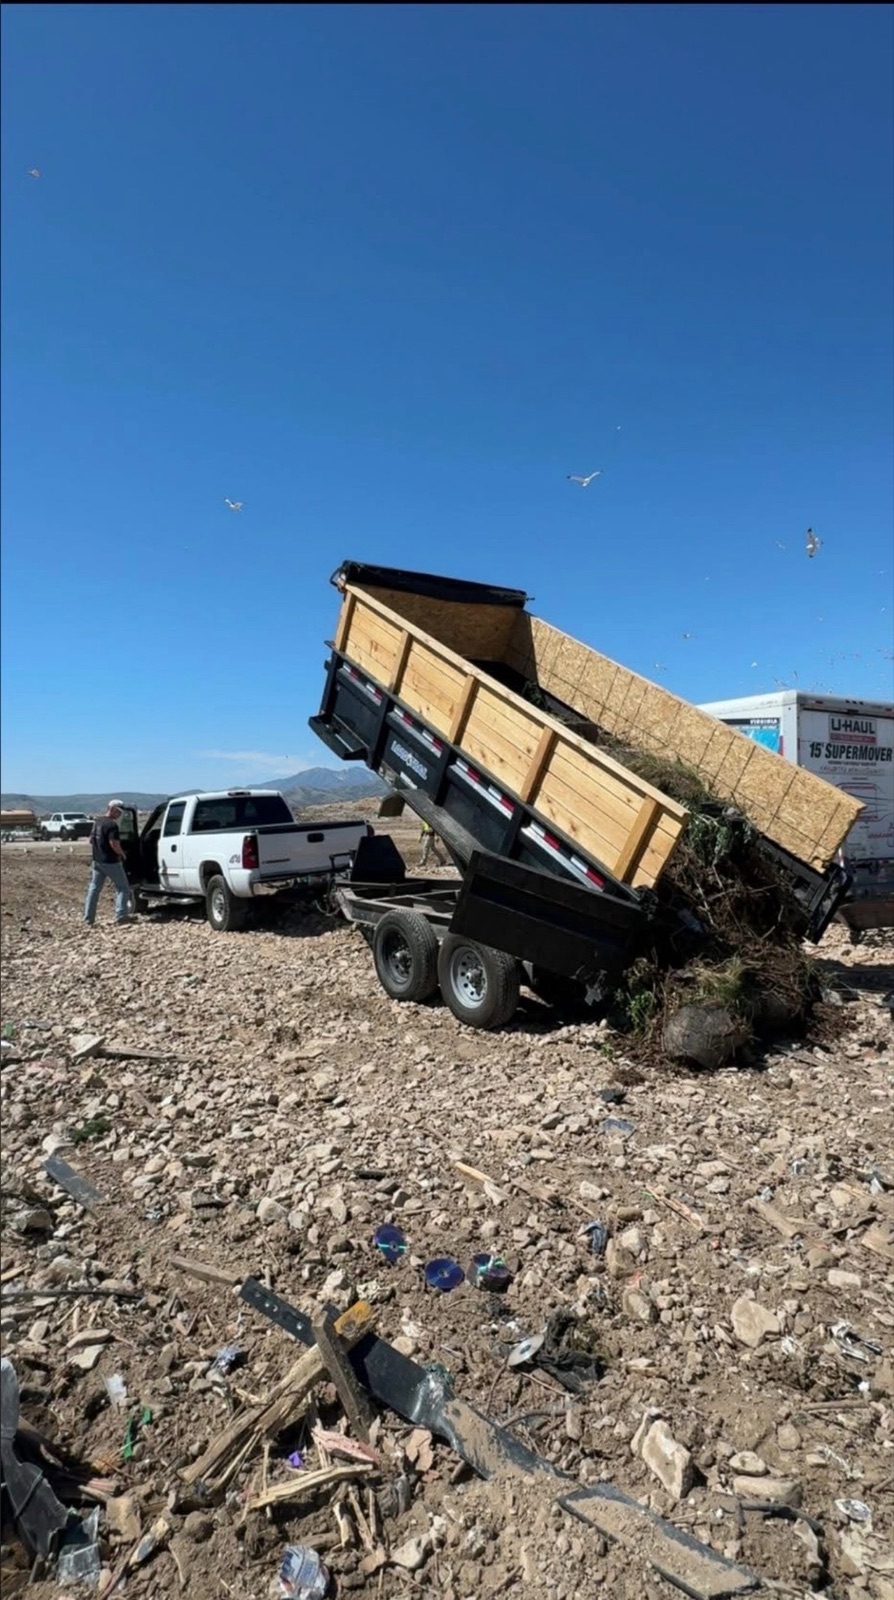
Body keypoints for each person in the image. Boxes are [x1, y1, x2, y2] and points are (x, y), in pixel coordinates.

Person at [84, 801, 133, 926]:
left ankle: (88, 918)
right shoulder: (112, 825)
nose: (118, 815)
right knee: (123, 888)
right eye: (118, 812)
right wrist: (122, 854)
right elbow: (114, 844)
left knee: (94, 889)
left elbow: (90, 840)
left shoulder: (98, 822)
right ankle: (121, 915)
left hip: (97, 861)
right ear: (111, 809)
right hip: (111, 862)